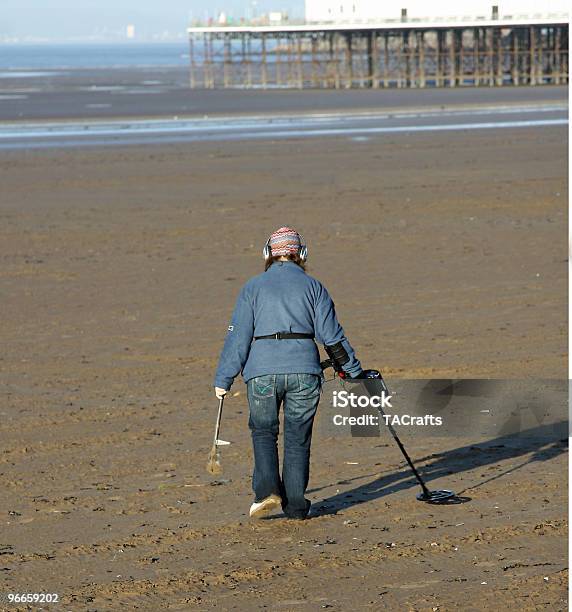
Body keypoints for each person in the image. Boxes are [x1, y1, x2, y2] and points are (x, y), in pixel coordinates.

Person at [214, 227, 362, 520]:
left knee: (263, 431)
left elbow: (238, 337)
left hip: (262, 373)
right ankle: (295, 505)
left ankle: (267, 492)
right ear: (301, 254)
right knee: (298, 438)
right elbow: (332, 337)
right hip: (305, 372)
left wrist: (223, 379)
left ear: (268, 254)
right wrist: (354, 371)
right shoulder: (314, 287)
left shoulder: (252, 287)